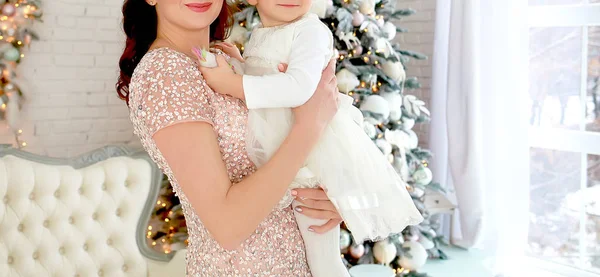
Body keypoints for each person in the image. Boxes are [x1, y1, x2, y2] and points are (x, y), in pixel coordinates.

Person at [196, 0, 424, 276]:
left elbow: (298, 87)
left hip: (314, 156)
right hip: (287, 147)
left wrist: (232, 83)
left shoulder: (310, 31)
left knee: (321, 254)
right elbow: (268, 81)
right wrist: (242, 65)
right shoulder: (262, 32)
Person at [116, 0, 343, 275]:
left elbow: (276, 159)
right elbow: (227, 225)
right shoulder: (166, 74)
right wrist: (309, 127)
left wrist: (326, 199)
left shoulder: (225, 62)